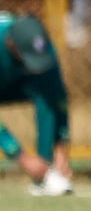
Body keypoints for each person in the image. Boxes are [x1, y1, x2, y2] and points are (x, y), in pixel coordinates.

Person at [0, 13, 73, 197]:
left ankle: (44, 174)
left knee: (46, 95)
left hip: (16, 83)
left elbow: (59, 98)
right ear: (10, 44)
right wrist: (21, 157)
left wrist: (61, 147)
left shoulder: (44, 48)